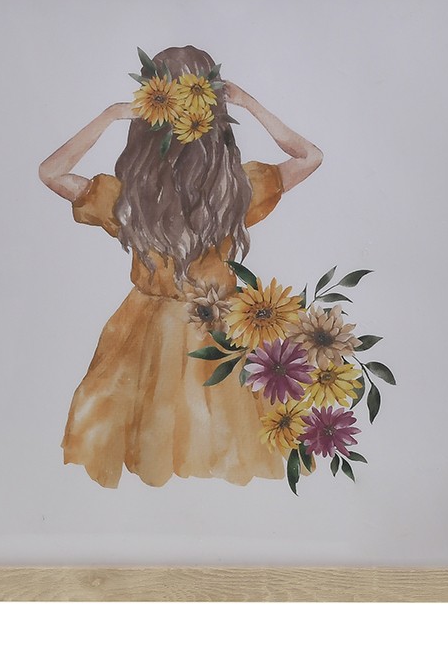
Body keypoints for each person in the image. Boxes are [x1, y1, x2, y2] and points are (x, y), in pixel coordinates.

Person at [38, 45, 323, 488]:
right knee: (217, 438)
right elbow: (309, 156)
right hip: (221, 324)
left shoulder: (128, 200)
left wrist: (112, 115)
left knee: (160, 435)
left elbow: (52, 172)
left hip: (147, 328)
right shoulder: (238, 191)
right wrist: (248, 103)